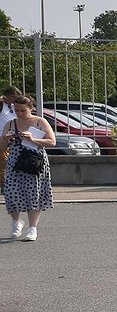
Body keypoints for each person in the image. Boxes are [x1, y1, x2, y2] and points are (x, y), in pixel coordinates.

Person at [2, 95, 55, 241]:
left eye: (22, 111)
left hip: (34, 160)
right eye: (16, 110)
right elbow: (2, 147)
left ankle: (33, 228)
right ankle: (16, 221)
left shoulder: (40, 121)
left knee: (33, 193)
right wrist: (6, 139)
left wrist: (33, 139)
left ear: (30, 109)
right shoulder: (11, 123)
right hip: (15, 160)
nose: (19, 113)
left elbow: (52, 141)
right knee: (10, 192)